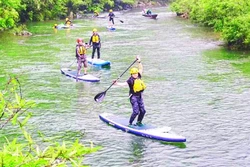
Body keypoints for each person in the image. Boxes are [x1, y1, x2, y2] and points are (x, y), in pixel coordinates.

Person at [114, 56, 147, 127]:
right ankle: (130, 123)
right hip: (133, 97)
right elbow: (124, 84)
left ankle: (139, 122)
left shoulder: (139, 76)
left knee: (143, 111)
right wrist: (116, 83)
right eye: (134, 74)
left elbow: (141, 68)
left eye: (136, 73)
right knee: (136, 111)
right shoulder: (130, 80)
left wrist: (139, 61)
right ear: (131, 74)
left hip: (140, 96)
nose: (136, 74)